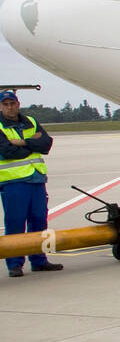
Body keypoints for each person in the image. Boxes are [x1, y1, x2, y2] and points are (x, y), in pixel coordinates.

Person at [1, 90, 63, 277]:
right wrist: (31, 143)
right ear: (1, 106)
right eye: (6, 104)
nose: (10, 107)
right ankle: (15, 263)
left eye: (13, 103)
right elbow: (8, 152)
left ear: (18, 104)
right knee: (15, 223)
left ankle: (39, 260)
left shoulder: (31, 121)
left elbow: (45, 145)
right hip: (14, 182)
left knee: (39, 221)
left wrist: (19, 142)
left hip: (36, 180)